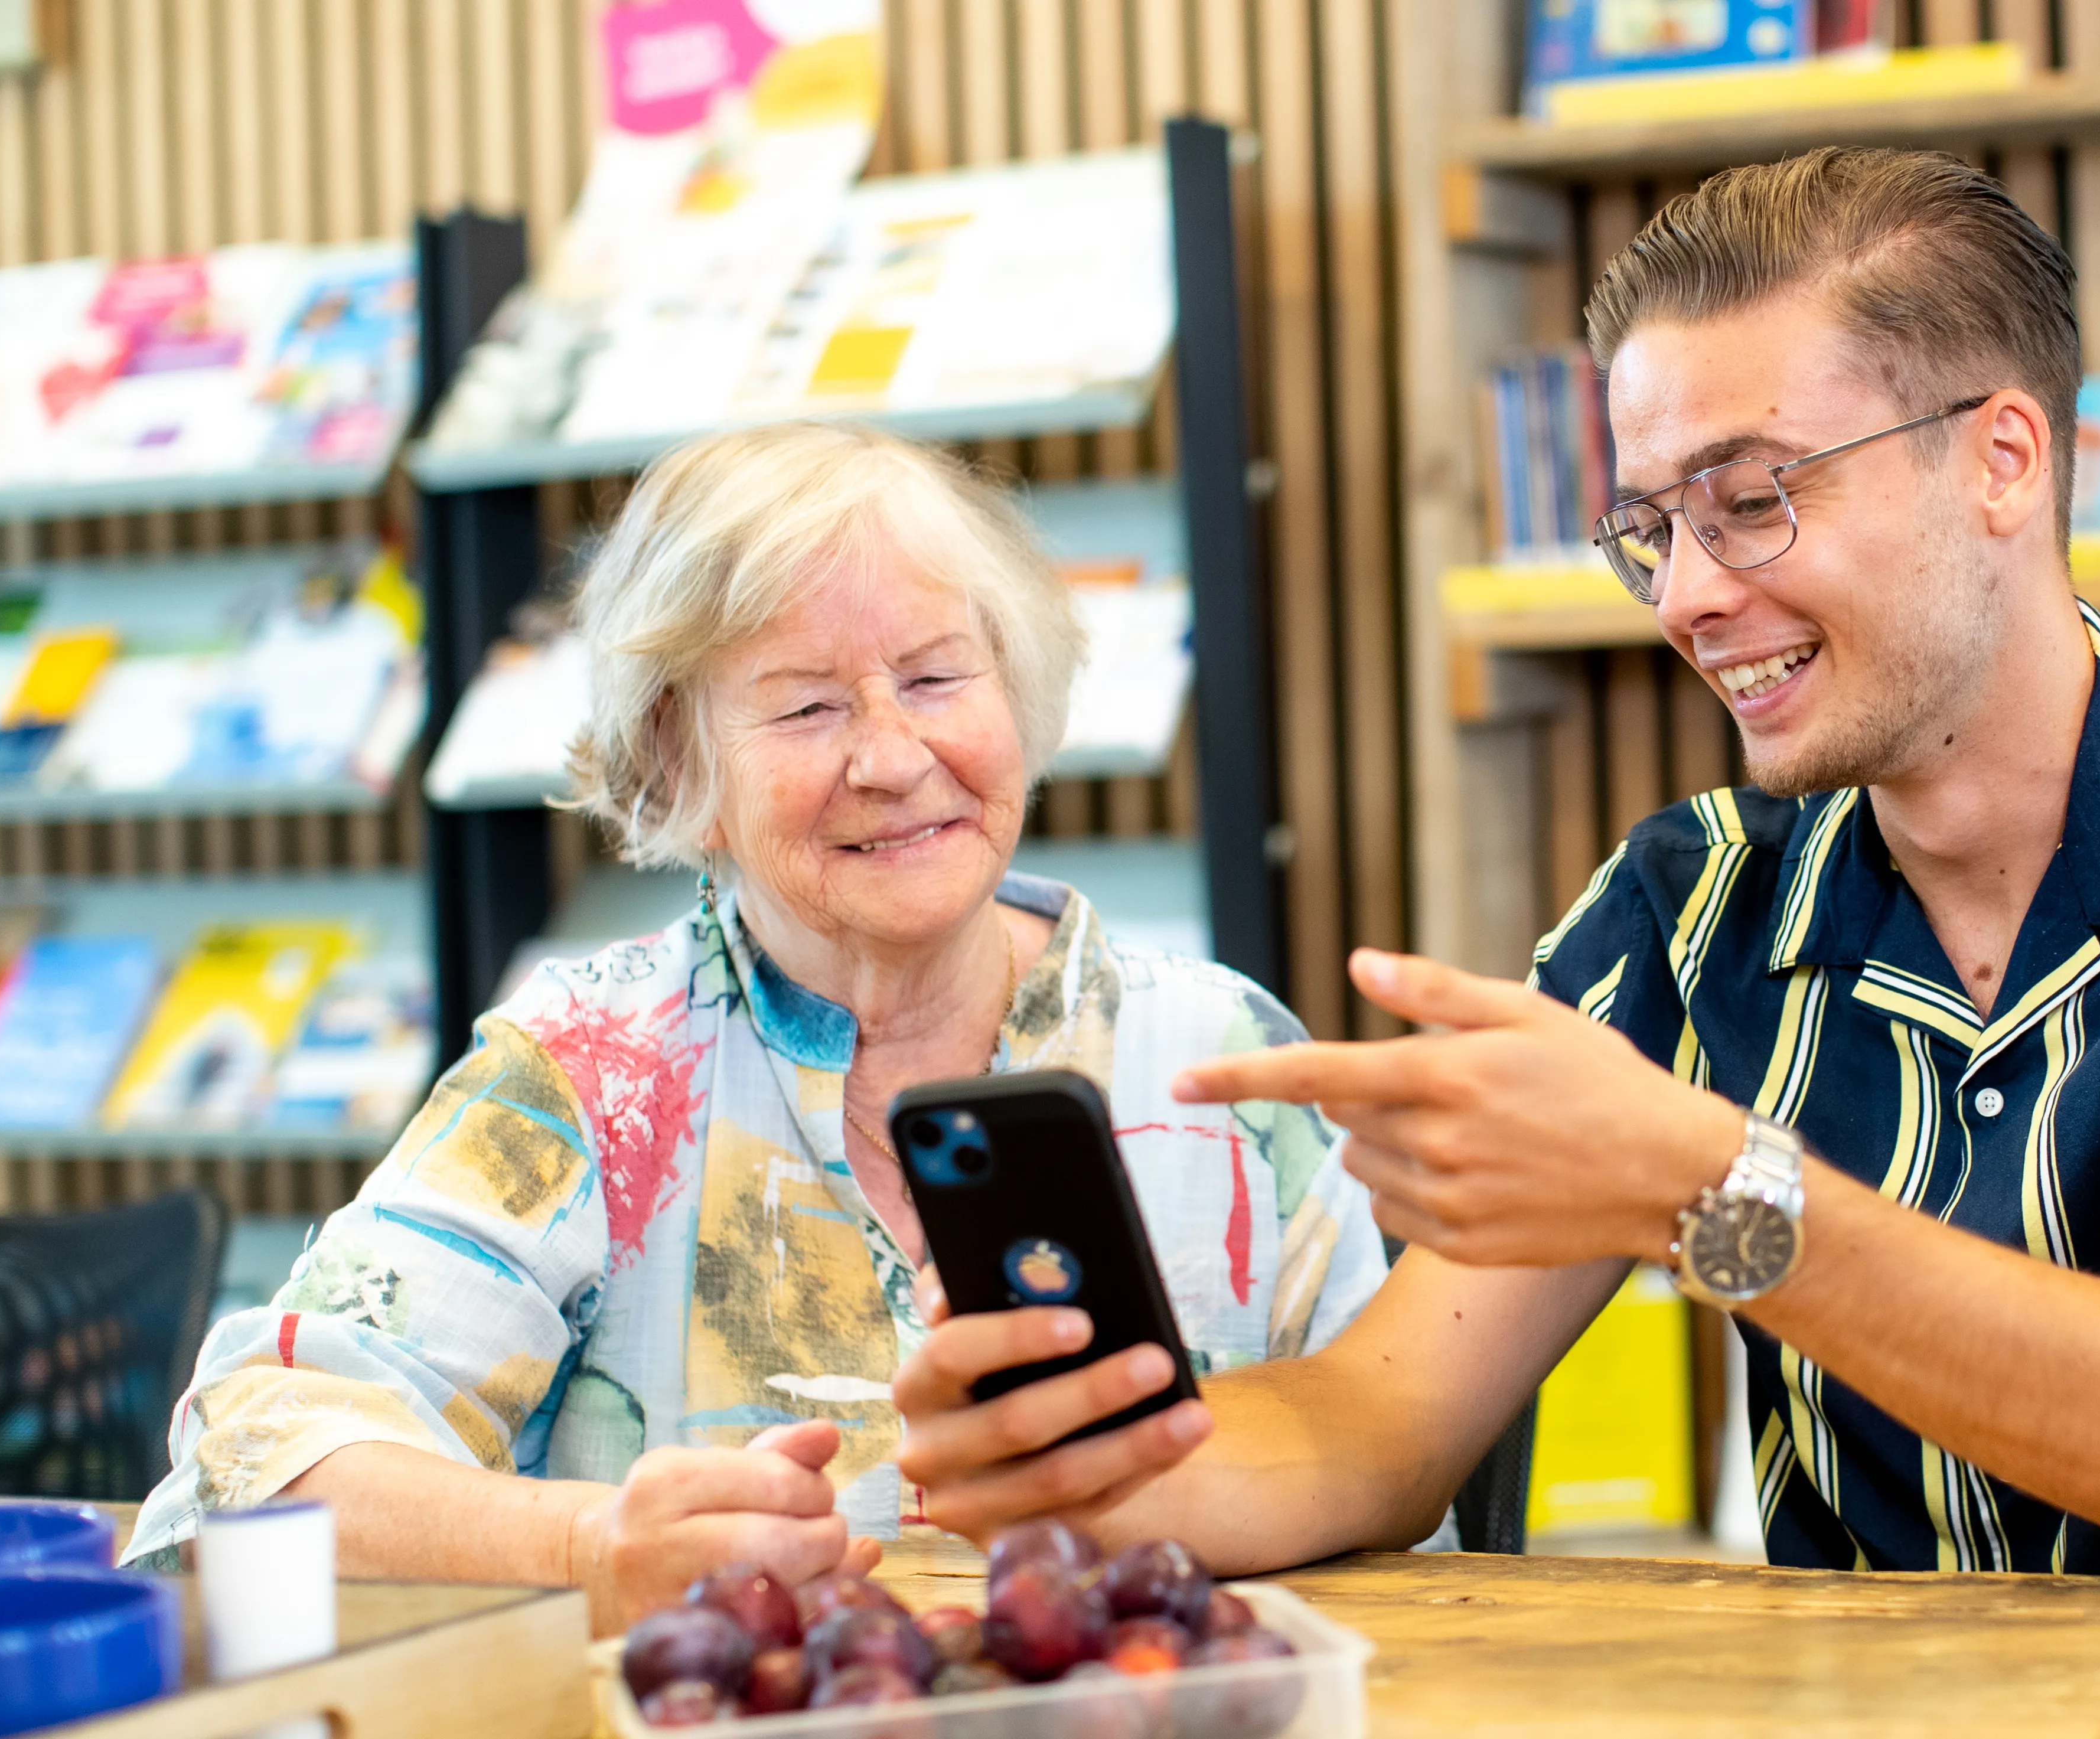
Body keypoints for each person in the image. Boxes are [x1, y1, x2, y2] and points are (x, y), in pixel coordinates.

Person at [891, 146, 2100, 1584]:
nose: (1682, 598)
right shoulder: (1686, 905)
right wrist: (1101, 1474)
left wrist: (1707, 1189)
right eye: (1651, 528)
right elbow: (1385, 1420)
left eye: (1749, 501)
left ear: (2004, 460)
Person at [122, 421, 1391, 1629]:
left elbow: (1397, 1480)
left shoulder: (1225, 1059)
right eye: (806, 707)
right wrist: (584, 1551)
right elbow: (245, 1465)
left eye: (938, 675)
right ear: (681, 769)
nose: (893, 756)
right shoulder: (589, 1070)